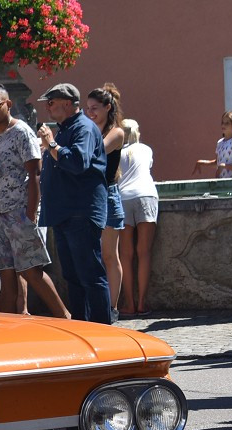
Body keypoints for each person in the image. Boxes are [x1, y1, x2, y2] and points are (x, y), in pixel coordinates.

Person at [0, 85, 70, 320]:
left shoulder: (21, 132)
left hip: (20, 211)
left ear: (8, 104)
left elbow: (36, 173)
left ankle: (64, 317)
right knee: (5, 274)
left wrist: (30, 214)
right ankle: (11, 327)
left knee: (31, 271)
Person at [36, 82, 111, 324]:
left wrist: (52, 144)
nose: (47, 108)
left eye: (51, 103)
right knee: (73, 276)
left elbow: (78, 163)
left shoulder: (83, 128)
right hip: (64, 212)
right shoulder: (66, 128)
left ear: (67, 104)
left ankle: (102, 329)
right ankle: (83, 326)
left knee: (90, 275)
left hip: (80, 211)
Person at [84, 85, 126, 322]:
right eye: (87, 109)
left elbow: (96, 151)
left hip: (107, 194)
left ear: (108, 108)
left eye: (95, 109)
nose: (90, 113)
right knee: (93, 256)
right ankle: (97, 306)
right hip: (90, 196)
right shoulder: (89, 128)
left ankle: (111, 307)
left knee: (109, 255)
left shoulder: (116, 132)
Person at [116, 119, 159, 317]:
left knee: (125, 255)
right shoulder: (147, 149)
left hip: (124, 198)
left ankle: (129, 304)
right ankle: (142, 302)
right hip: (147, 196)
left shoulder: (116, 151)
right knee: (144, 252)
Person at [193, 112, 232, 179]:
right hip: (221, 182)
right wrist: (202, 162)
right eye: (222, 123)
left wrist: (224, 166)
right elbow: (218, 162)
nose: (223, 125)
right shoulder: (220, 142)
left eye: (227, 123)